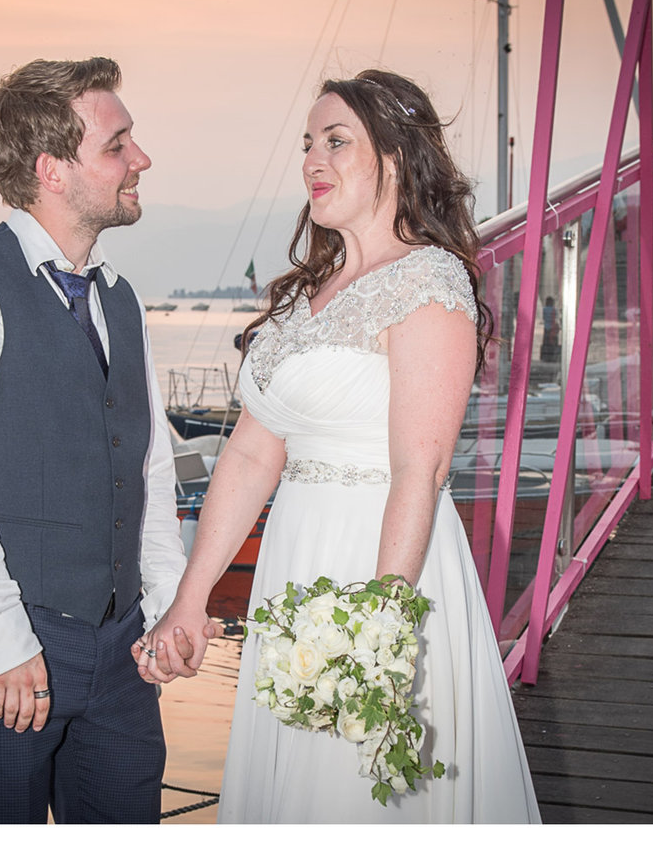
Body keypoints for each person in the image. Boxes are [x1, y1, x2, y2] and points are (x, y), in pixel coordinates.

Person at [138, 70, 540, 822]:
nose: (312, 161)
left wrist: (380, 625)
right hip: (296, 557)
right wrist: (189, 601)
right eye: (307, 144)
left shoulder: (429, 283)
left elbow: (420, 470)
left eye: (335, 141)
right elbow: (253, 455)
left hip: (380, 564)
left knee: (364, 792)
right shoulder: (301, 298)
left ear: (392, 158)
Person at [0, 56, 187, 823]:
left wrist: (164, 605)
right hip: (11, 649)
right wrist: (3, 639)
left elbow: (149, 468)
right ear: (52, 169)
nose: (141, 159)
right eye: (117, 145)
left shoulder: (119, 299)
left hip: (121, 653)